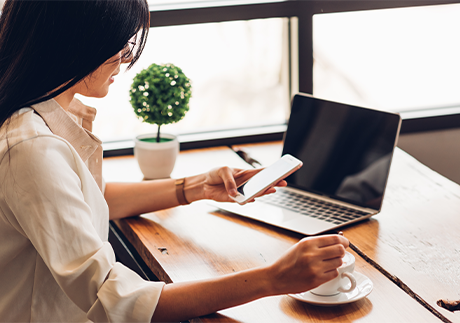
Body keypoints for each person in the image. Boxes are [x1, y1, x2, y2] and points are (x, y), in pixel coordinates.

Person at [0, 1, 349, 322]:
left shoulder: (41, 115)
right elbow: (116, 300)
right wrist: (273, 278)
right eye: (121, 43)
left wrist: (196, 187)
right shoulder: (32, 149)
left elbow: (90, 197)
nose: (124, 58)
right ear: (78, 40)